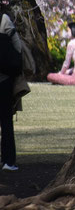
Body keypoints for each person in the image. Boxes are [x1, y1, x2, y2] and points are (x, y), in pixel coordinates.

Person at [0, 13, 21, 171]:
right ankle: (8, 161)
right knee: (6, 120)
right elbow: (17, 46)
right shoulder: (4, 20)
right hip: (4, 78)